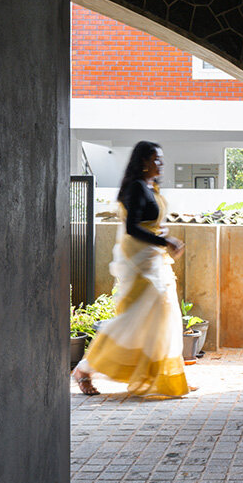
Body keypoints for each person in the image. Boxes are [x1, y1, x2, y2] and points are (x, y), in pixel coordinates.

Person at [71, 141, 191, 398]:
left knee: (163, 318)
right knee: (132, 319)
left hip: (155, 261)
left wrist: (161, 234)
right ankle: (84, 369)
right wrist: (165, 240)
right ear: (144, 161)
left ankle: (167, 375)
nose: (161, 163)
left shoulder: (151, 186)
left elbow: (149, 223)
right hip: (140, 264)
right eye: (156, 159)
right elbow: (133, 228)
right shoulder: (136, 187)